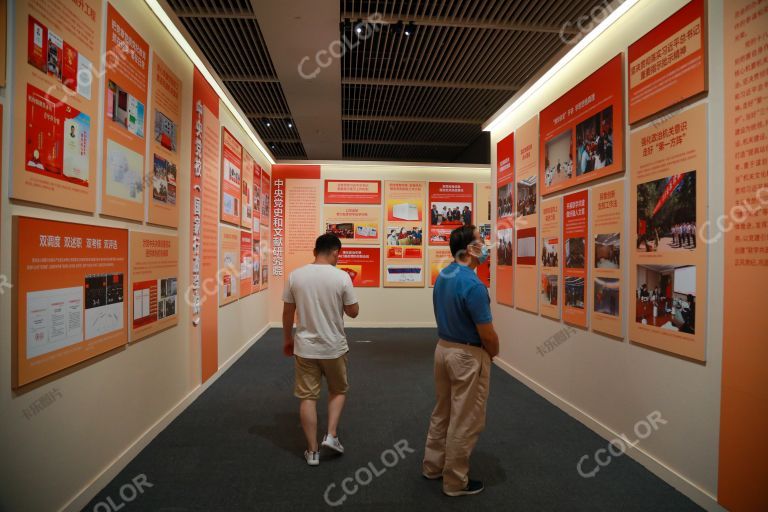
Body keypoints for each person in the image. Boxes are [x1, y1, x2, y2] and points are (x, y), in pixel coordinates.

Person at [422, 225, 500, 497]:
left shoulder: (444, 275)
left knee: (442, 411)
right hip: (466, 356)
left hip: (442, 349)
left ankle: (432, 466)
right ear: (469, 249)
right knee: (465, 419)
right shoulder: (474, 285)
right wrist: (494, 351)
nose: (486, 245)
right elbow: (487, 334)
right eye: (482, 240)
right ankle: (455, 481)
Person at [282, 234, 360, 466]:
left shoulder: (295, 276)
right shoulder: (342, 277)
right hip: (334, 347)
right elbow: (353, 311)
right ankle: (331, 435)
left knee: (307, 397)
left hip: (304, 347)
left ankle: (312, 451)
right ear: (335, 251)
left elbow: (287, 313)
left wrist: (288, 339)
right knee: (337, 390)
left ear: (315, 250)